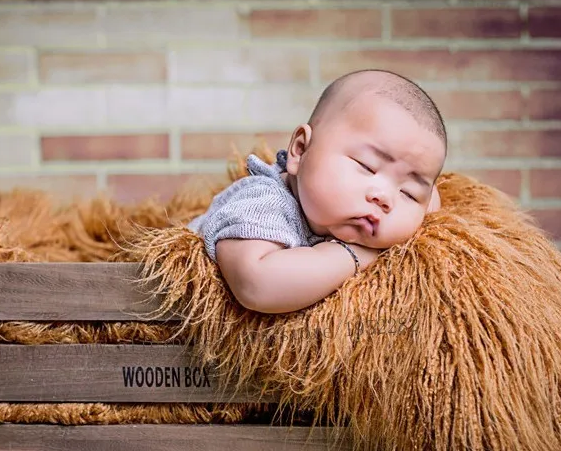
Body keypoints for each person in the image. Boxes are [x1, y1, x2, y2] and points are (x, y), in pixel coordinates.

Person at [187, 69, 447, 314]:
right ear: (300, 150)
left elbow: (430, 199)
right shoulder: (262, 202)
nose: (385, 198)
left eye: (408, 193)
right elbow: (255, 286)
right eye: (367, 166)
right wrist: (354, 254)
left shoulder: (358, 209)